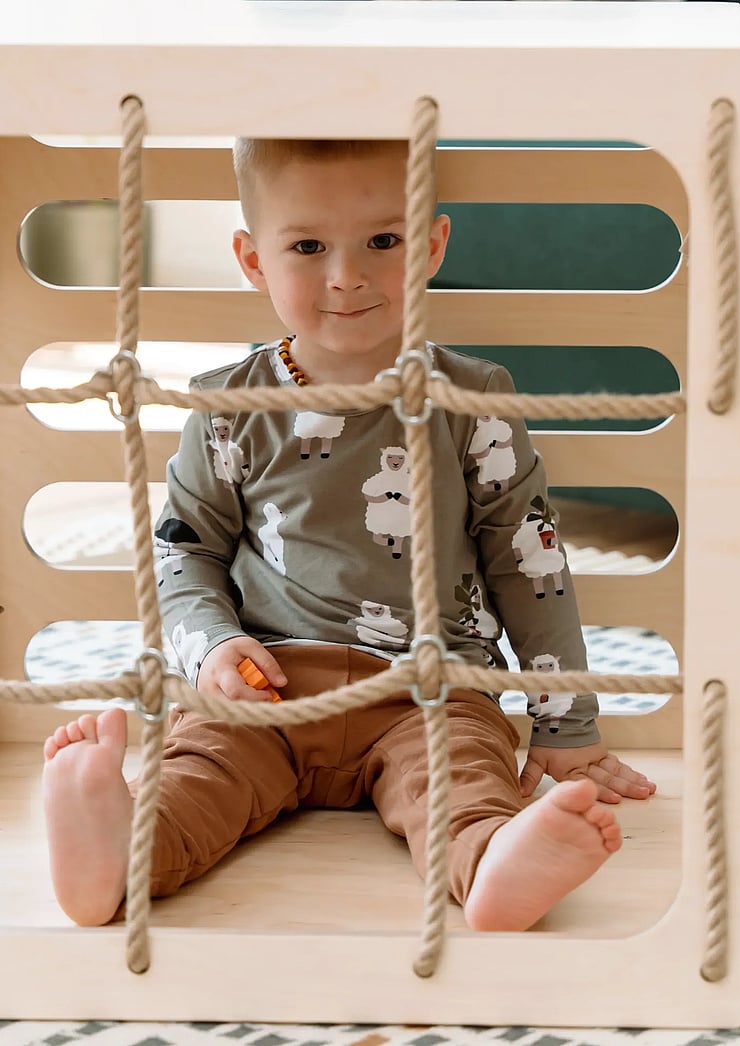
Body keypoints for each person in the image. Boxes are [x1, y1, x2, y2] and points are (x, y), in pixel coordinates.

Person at [41, 137, 656, 931]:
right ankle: (115, 855)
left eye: (384, 241)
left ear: (431, 244)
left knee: (462, 778)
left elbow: (526, 559)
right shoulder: (229, 409)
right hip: (269, 683)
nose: (348, 275)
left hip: (428, 686)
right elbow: (184, 550)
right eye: (306, 246)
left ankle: (495, 860)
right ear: (253, 259)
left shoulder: (472, 400)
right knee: (201, 777)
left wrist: (563, 727)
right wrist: (213, 649)